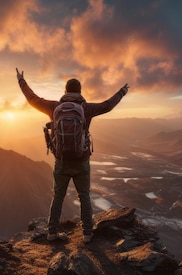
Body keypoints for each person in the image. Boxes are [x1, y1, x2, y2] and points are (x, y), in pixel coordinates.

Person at [16, 68, 128, 243]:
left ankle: (52, 232)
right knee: (84, 196)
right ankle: (87, 234)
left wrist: (21, 80)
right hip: (81, 162)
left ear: (65, 91)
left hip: (61, 162)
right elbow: (107, 105)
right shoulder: (85, 108)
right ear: (80, 91)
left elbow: (32, 99)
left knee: (58, 196)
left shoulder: (54, 107)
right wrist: (122, 92)